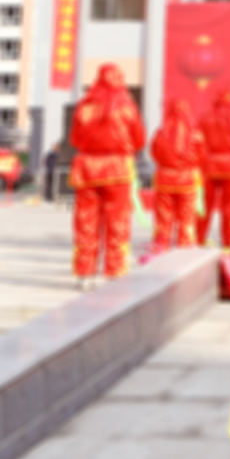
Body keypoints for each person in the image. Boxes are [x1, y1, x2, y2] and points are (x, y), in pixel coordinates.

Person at [68, 64, 146, 290]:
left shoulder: (85, 106)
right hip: (118, 169)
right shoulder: (127, 107)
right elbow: (139, 140)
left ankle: (85, 273)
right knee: (117, 220)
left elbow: (74, 139)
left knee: (85, 222)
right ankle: (115, 270)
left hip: (87, 170)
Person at [197, 89, 230, 247]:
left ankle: (198, 238)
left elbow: (197, 142)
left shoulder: (204, 118)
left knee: (204, 204)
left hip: (208, 165)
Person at [150, 99, 204, 251]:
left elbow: (154, 153)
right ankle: (185, 248)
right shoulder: (196, 135)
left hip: (164, 178)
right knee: (187, 218)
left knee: (163, 217)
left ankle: (161, 246)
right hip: (187, 179)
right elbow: (202, 156)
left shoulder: (161, 133)